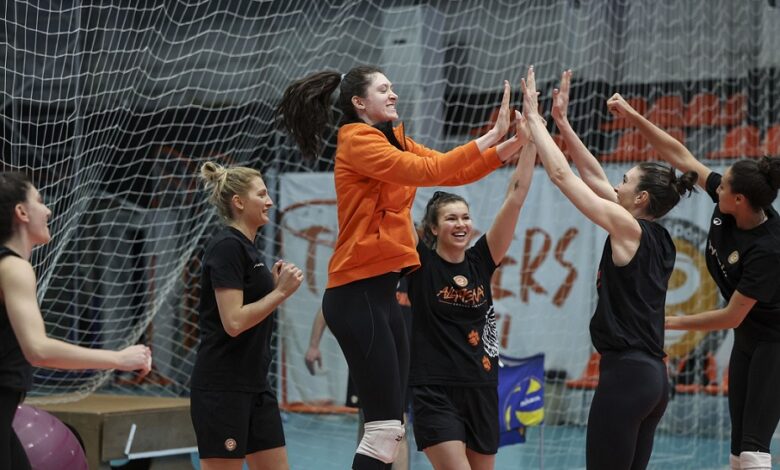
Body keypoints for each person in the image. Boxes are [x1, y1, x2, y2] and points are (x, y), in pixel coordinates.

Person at [277, 65, 526, 470]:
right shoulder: (357, 140)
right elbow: (430, 172)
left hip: (382, 296)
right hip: (356, 293)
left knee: (391, 430)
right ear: (359, 102)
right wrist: (492, 135)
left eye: (392, 88)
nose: (393, 94)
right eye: (383, 89)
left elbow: (453, 168)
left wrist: (512, 143)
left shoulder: (393, 138)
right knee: (381, 430)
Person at [521, 67, 697, 470]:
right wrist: (563, 124)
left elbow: (562, 175)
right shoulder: (658, 236)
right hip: (653, 379)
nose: (617, 185)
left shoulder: (627, 228)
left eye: (626, 181)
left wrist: (535, 120)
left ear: (642, 198)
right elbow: (593, 175)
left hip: (626, 376)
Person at [607, 93, 780, 470]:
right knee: (738, 450)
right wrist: (633, 116)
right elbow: (680, 155)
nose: (715, 187)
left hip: (774, 342)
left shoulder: (768, 250)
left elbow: (731, 316)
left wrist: (666, 322)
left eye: (723, 187)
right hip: (748, 338)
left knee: (754, 450)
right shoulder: (733, 204)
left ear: (739, 199)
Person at [406, 113, 536, 470]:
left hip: (482, 386)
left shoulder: (482, 260)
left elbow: (516, 195)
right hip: (434, 389)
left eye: (465, 217)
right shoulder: (420, 263)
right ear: (433, 228)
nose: (461, 224)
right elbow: (396, 204)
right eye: (451, 218)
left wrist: (530, 141)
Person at [0, 171, 152, 470]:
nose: (48, 210)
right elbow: (38, 350)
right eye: (39, 201)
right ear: (21, 212)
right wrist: (118, 359)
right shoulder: (14, 268)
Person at [190, 162, 303, 470]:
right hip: (223, 388)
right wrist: (280, 293)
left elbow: (251, 307)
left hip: (256, 384)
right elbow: (234, 322)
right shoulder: (227, 246)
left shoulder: (248, 248)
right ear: (239, 202)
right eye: (261, 194)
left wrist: (273, 287)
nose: (270, 201)